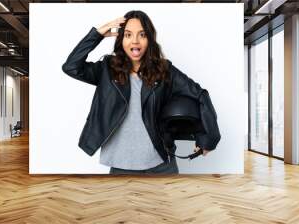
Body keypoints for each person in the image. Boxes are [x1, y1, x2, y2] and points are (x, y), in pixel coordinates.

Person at [62, 10, 220, 174]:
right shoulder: (106, 70)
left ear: (150, 39)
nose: (135, 41)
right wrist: (97, 34)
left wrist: (208, 138)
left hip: (161, 164)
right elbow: (71, 67)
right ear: (121, 39)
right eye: (128, 35)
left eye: (142, 35)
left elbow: (200, 94)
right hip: (120, 166)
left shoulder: (164, 70)